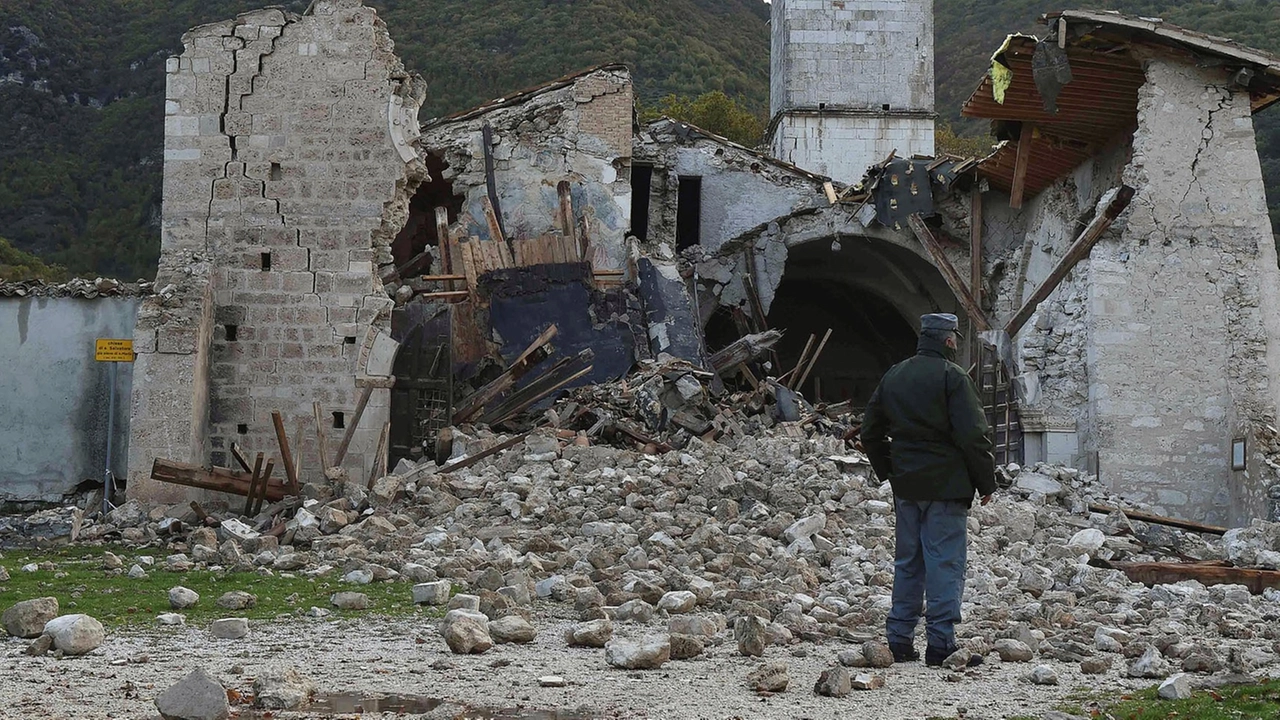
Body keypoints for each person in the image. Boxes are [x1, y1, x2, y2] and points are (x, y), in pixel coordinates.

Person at [861, 312, 996, 667]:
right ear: (949, 340)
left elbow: (869, 432)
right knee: (944, 562)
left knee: (908, 561)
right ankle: (941, 644)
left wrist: (888, 470)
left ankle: (899, 640)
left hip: (906, 485)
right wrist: (986, 481)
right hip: (947, 486)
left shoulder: (895, 374)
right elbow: (973, 436)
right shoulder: (953, 377)